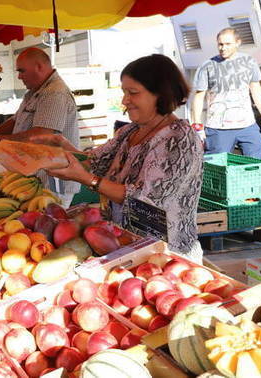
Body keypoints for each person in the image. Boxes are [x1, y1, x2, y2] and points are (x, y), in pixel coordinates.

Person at [30, 54, 204, 261]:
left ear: (161, 94)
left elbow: (145, 199)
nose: (125, 100)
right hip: (125, 247)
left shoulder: (179, 138)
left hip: (166, 255)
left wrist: (87, 180)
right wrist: (62, 147)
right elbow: (94, 161)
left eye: (133, 93)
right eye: (124, 92)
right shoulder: (130, 131)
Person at [0, 47, 80, 207]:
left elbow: (41, 135)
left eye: (22, 71)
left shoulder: (54, 93)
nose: (19, 76)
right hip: (36, 178)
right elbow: (15, 121)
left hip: (54, 181)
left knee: (48, 226)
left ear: (39, 67)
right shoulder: (35, 92)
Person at [191, 27, 261, 158]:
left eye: (227, 44)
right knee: (217, 169)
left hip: (247, 126)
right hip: (218, 129)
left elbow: (256, 90)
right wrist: (197, 126)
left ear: (238, 42)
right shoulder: (207, 66)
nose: (223, 48)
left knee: (256, 166)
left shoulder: (248, 62)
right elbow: (198, 96)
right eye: (220, 44)